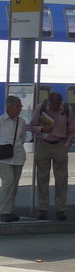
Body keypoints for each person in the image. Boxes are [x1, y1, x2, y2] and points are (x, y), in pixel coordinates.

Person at [34, 92, 75, 220]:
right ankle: (43, 209)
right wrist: (42, 129)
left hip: (60, 145)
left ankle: (61, 209)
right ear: (49, 103)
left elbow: (72, 129)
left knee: (61, 179)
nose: (56, 109)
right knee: (42, 178)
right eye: (53, 106)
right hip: (43, 144)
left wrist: (67, 144)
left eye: (58, 106)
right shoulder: (40, 108)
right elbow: (32, 126)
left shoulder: (67, 109)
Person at [0, 95, 27, 223]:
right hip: (3, 158)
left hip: (18, 156)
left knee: (14, 185)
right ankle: (4, 211)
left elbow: (23, 138)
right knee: (8, 182)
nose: (20, 109)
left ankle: (10, 210)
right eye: (18, 106)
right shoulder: (0, 121)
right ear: (10, 107)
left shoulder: (21, 122)